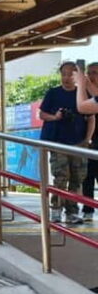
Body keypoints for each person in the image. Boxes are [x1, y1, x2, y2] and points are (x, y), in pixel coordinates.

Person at [40, 61, 94, 226]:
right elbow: (42, 114)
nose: (66, 77)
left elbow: (91, 117)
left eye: (70, 74)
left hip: (78, 143)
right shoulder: (53, 93)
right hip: (58, 142)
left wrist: (87, 139)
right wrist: (55, 117)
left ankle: (72, 211)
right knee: (61, 176)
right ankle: (56, 209)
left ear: (76, 76)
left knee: (77, 178)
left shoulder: (83, 93)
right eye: (63, 74)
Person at [81, 62, 98, 221]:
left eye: (95, 73)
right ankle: (88, 208)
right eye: (89, 73)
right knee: (87, 177)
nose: (91, 76)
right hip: (89, 141)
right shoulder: (83, 93)